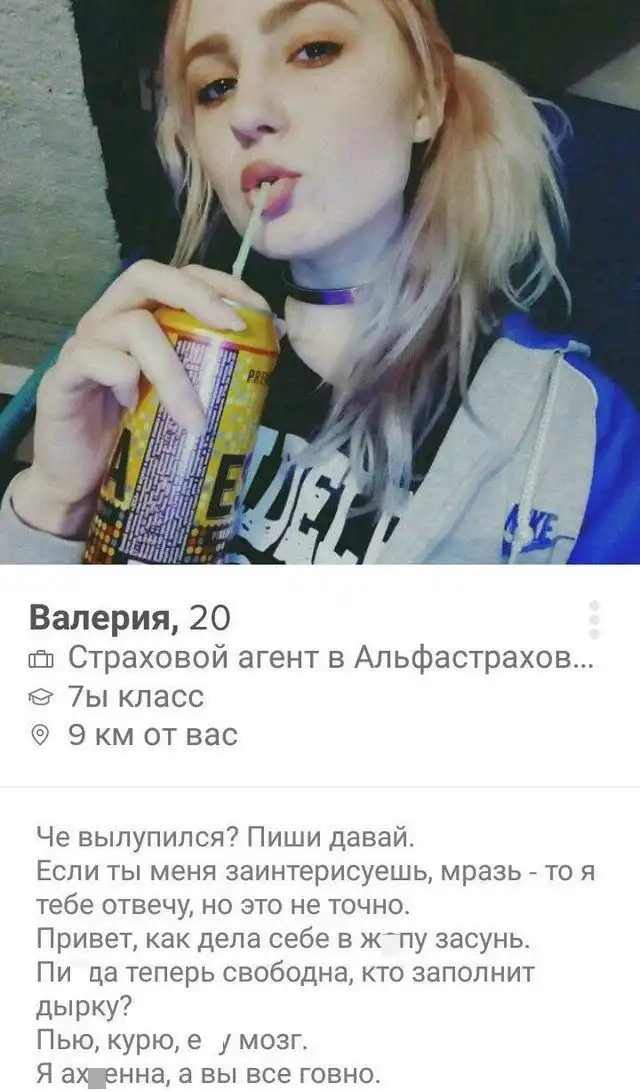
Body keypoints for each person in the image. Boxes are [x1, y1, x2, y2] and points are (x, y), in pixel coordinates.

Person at [1, 0, 639, 564]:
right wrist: (53, 504)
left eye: (314, 49)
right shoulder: (150, 355)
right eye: (216, 86)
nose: (247, 113)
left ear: (425, 98)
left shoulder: (577, 432)